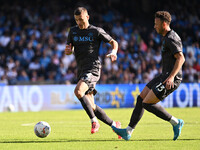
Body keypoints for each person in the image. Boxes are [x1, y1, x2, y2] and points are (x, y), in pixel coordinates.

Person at [112, 11, 185, 141]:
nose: (154, 26)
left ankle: (175, 122)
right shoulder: (166, 37)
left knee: (147, 103)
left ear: (164, 24)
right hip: (164, 75)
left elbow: (181, 58)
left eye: (156, 24)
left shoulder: (171, 38)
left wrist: (172, 77)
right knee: (141, 99)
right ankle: (128, 131)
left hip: (171, 78)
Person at [65, 7, 121, 137]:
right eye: (77, 20)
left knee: (78, 91)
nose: (79, 22)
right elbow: (69, 49)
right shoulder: (73, 32)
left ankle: (94, 121)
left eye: (81, 19)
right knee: (92, 106)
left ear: (87, 17)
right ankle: (115, 125)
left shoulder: (96, 31)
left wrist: (114, 51)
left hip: (93, 68)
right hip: (81, 69)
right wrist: (68, 51)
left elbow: (114, 42)